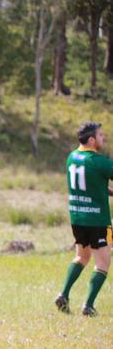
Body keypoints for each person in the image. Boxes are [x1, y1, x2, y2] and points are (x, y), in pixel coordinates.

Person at [54, 122, 112, 317]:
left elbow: (91, 183)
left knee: (82, 256)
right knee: (103, 263)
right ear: (92, 139)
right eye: (101, 136)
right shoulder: (100, 161)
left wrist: (107, 191)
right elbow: (99, 175)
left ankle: (63, 294)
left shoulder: (72, 157)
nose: (104, 139)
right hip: (97, 219)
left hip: (77, 217)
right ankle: (88, 305)